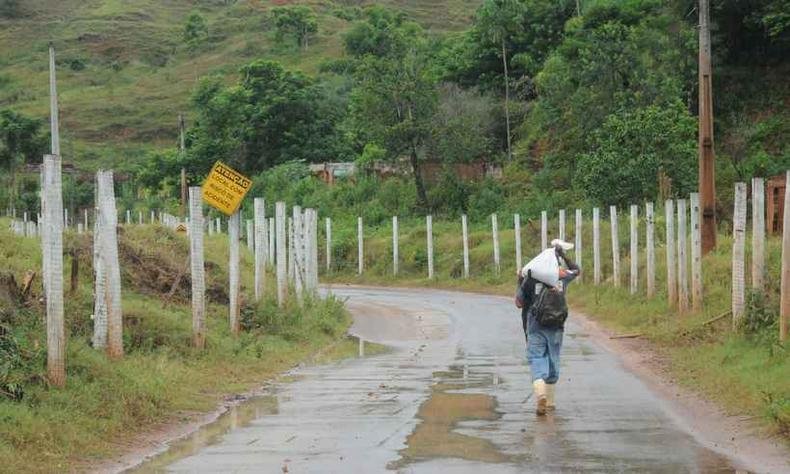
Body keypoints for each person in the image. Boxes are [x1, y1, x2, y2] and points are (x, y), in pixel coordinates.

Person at [515, 239, 579, 416]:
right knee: (553, 358)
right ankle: (550, 403)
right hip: (557, 325)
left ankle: (540, 393)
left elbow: (519, 303)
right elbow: (577, 270)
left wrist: (519, 280)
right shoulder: (561, 276)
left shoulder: (530, 278)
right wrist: (564, 255)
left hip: (535, 324)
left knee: (536, 358)